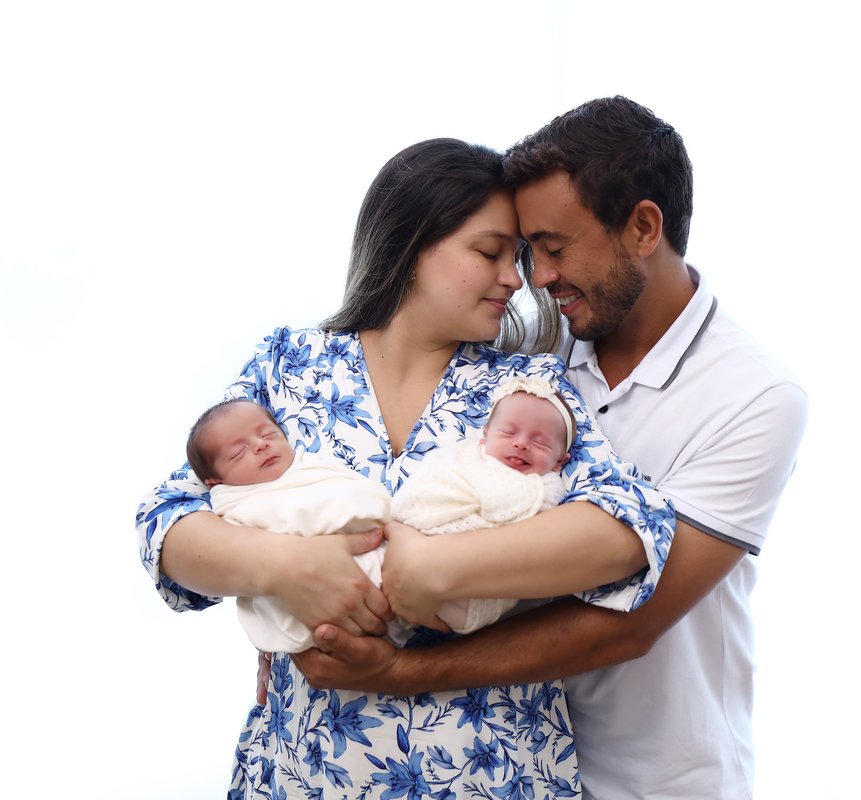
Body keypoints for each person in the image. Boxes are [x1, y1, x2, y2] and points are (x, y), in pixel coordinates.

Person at [292, 98, 809, 800]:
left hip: (655, 778)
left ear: (644, 227)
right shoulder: (532, 354)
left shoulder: (755, 397)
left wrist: (399, 672)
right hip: (515, 759)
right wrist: (301, 616)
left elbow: (630, 624)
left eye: (554, 248)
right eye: (524, 253)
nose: (535, 278)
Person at [134, 137, 676, 799]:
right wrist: (288, 568)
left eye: (518, 258)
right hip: (300, 776)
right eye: (490, 253)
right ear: (412, 241)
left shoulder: (525, 389)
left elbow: (633, 527)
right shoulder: (290, 366)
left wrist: (436, 569)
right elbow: (167, 523)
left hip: (494, 777)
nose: (517, 279)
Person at [186, 397, 392, 652]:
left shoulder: (313, 468)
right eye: (239, 452)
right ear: (216, 481)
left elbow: (355, 493)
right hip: (316, 620)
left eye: (268, 434)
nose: (261, 444)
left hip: (390, 559)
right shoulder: (235, 509)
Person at [391, 375, 576, 634]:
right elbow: (429, 483)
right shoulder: (463, 457)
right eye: (508, 432)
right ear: (485, 436)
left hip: (468, 589)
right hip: (404, 542)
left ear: (559, 461)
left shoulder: (544, 489)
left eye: (540, 442)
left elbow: (530, 541)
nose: (521, 444)